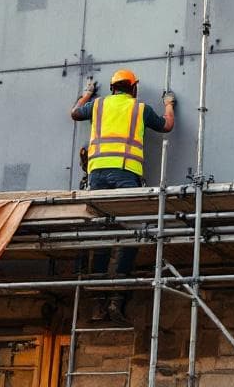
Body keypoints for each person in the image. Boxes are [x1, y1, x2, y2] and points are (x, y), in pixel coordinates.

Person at [69, 68, 175, 322]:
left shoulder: (97, 106)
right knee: (131, 234)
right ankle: (116, 299)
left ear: (113, 87)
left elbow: (74, 112)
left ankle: (97, 303)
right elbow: (167, 125)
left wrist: (86, 94)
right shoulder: (140, 109)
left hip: (97, 176)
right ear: (133, 87)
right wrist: (169, 104)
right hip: (126, 174)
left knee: (101, 235)